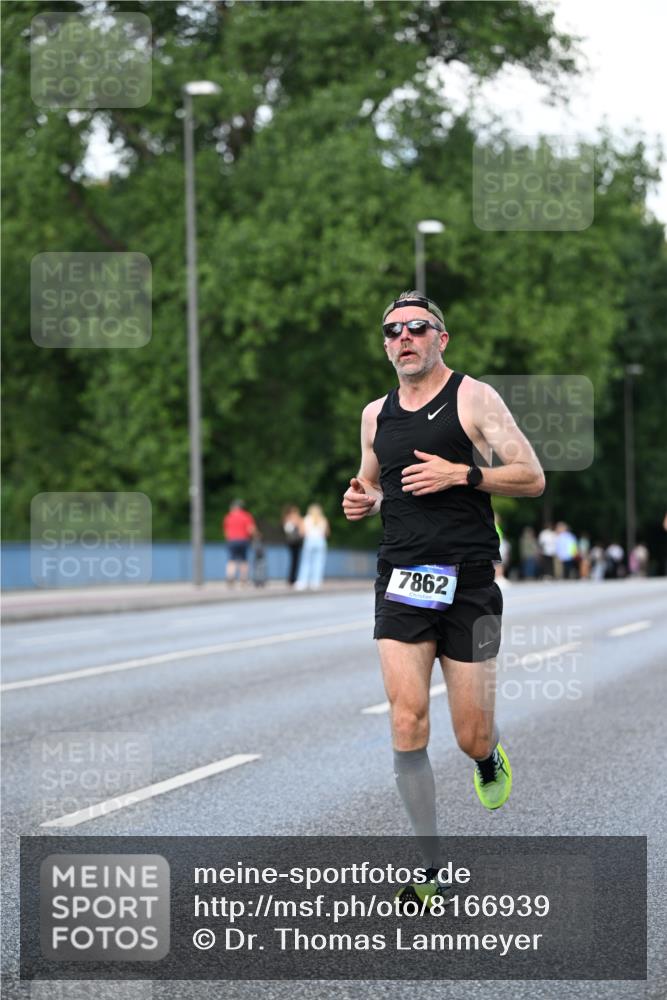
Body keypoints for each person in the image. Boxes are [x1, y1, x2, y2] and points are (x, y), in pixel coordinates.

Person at [342, 290, 544, 907]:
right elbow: (374, 484)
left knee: (470, 734)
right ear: (385, 344)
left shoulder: (475, 397)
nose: (404, 337)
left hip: (471, 583)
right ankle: (428, 867)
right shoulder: (376, 415)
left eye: (417, 328)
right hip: (401, 579)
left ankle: (488, 757)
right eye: (393, 330)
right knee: (407, 720)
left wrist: (465, 474)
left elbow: (533, 478)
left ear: (440, 339)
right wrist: (362, 501)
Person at [295, 504, 329, 590]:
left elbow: (301, 532)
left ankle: (303, 582)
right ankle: (315, 582)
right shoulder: (323, 520)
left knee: (306, 562)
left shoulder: (306, 519)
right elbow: (327, 533)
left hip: (309, 540)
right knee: (318, 563)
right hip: (320, 541)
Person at [222, 499, 256, 585]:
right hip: (243, 540)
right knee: (243, 559)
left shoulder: (228, 517)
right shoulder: (246, 516)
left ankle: (230, 577)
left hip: (232, 540)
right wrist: (256, 535)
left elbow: (226, 531)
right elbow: (250, 529)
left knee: (231, 559)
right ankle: (243, 579)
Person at [282, 505, 304, 586]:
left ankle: (292, 578)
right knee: (295, 561)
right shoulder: (294, 520)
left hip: (292, 542)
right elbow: (301, 531)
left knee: (294, 561)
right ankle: (292, 579)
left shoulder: (288, 519)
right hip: (294, 542)